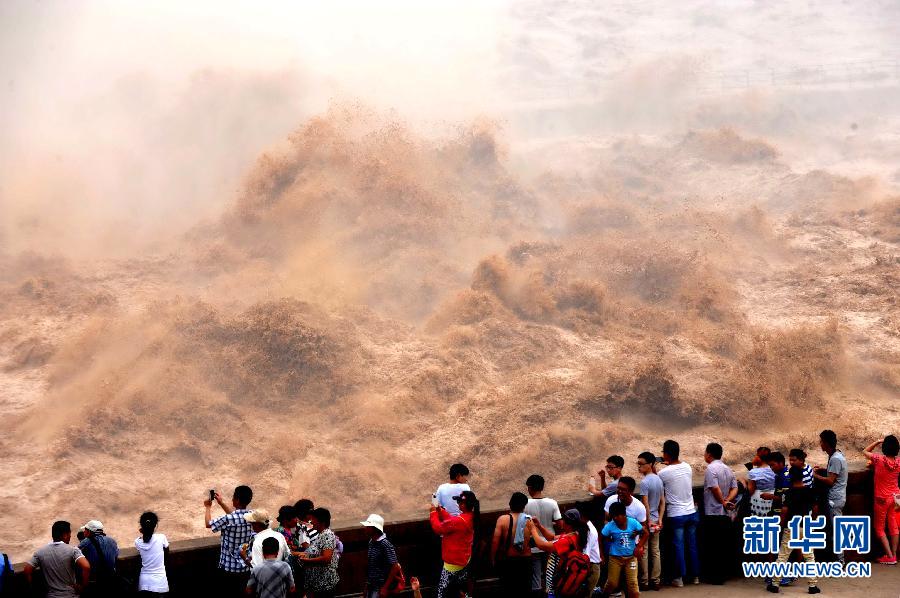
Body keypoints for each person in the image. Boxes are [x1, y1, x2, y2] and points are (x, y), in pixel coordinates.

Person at [766, 466, 821, 594]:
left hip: (791, 527)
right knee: (809, 557)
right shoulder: (810, 491)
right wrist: (812, 522)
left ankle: (775, 584)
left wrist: (780, 525)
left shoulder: (788, 493)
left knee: (783, 556)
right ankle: (813, 586)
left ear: (790, 477)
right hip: (805, 526)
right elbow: (816, 509)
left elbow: (784, 511)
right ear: (802, 476)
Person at [657, 439, 698, 587]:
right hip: (692, 512)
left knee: (678, 546)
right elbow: (677, 474)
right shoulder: (687, 467)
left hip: (677, 515)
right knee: (692, 545)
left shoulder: (663, 473)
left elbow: (656, 482)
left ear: (666, 454)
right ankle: (695, 577)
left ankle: (679, 578)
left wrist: (656, 467)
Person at [529, 509, 590, 598]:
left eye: (563, 520)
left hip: (561, 579)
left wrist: (532, 529)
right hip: (567, 576)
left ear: (567, 524)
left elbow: (542, 545)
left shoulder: (567, 541)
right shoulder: (575, 534)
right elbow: (551, 537)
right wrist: (539, 526)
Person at [700, 442, 738, 585]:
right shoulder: (728, 469)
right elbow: (735, 488)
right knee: (722, 545)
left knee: (713, 545)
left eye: (705, 452)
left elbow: (714, 488)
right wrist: (727, 500)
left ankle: (715, 577)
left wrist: (722, 501)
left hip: (713, 512)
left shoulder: (711, 468)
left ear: (709, 454)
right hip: (725, 514)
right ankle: (722, 575)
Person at [206, 485, 254, 595]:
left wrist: (208, 507)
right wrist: (221, 503)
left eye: (233, 497)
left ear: (236, 500)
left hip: (229, 568)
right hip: (246, 566)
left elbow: (208, 524)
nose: (232, 499)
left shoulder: (228, 519)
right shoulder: (252, 515)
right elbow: (235, 516)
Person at [430, 490, 478, 598]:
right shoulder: (470, 516)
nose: (458, 504)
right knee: (461, 588)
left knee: (442, 592)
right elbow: (451, 521)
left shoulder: (459, 521)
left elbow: (438, 528)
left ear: (464, 505)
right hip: (464, 559)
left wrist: (433, 513)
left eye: (460, 502)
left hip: (452, 563)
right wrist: (439, 509)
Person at [24, 521, 91, 598]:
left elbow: (27, 570)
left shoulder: (40, 552)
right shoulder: (73, 550)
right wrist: (82, 587)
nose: (70, 536)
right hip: (70, 595)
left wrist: (32, 589)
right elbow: (86, 566)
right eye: (69, 534)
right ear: (65, 535)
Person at [863, 435, 900, 564]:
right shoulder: (899, 462)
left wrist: (877, 441)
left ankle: (889, 557)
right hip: (895, 497)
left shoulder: (879, 459)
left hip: (882, 498)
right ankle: (894, 554)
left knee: (879, 527)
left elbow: (865, 451)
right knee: (893, 525)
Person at [812, 430, 848, 564]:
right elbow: (833, 474)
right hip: (837, 497)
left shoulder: (836, 458)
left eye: (821, 441)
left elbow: (830, 481)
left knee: (837, 531)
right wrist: (823, 470)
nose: (820, 444)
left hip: (835, 499)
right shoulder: (836, 455)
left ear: (826, 443)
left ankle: (840, 562)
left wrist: (814, 475)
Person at [524, 474, 562, 597]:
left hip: (533, 545)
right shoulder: (552, 503)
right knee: (550, 574)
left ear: (529, 488)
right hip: (550, 545)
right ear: (542, 487)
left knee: (535, 577)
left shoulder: (525, 504)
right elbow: (560, 524)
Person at [599, 502, 648, 598]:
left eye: (617, 516)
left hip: (631, 558)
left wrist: (639, 546)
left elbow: (645, 533)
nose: (615, 518)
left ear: (624, 514)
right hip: (615, 558)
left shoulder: (633, 522)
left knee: (633, 585)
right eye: (613, 516)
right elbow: (600, 538)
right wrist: (601, 555)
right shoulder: (610, 526)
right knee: (612, 583)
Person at [491, 492, 536, 595]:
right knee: (525, 590)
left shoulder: (502, 520)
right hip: (526, 561)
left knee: (509, 589)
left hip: (509, 561)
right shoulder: (528, 520)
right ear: (524, 506)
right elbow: (534, 540)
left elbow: (495, 542)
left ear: (510, 504)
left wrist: (493, 559)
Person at [297, 508, 339, 597]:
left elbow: (326, 558)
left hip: (325, 585)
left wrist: (307, 561)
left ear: (322, 522)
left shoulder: (327, 535)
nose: (311, 522)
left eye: (314, 520)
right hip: (318, 585)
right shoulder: (321, 535)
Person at [638, 452, 664, 591]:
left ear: (650, 464)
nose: (639, 466)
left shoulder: (644, 482)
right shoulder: (658, 479)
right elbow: (662, 502)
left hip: (647, 521)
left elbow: (645, 505)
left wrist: (647, 522)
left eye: (641, 464)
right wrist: (660, 519)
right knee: (656, 551)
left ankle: (644, 581)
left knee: (645, 550)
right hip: (656, 520)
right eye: (638, 464)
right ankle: (656, 580)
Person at [361, 514, 402, 598]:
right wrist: (366, 587)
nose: (365, 528)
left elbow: (395, 566)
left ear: (375, 529)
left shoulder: (385, 544)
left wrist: (385, 588)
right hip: (371, 586)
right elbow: (371, 567)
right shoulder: (371, 542)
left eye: (368, 526)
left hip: (380, 587)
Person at [78, 520, 119, 597]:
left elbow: (76, 556)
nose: (84, 532)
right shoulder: (112, 541)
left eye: (85, 530)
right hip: (110, 581)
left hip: (94, 583)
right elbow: (116, 556)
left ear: (89, 532)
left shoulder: (85, 542)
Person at [134, 512, 169, 596]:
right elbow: (167, 551)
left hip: (144, 583)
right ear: (155, 525)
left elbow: (144, 540)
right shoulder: (161, 538)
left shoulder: (137, 542)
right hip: (160, 583)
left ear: (141, 526)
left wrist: (143, 532)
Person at [575, 502, 603, 596]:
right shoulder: (585, 527)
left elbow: (586, 553)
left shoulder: (590, 530)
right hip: (589, 565)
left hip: (591, 567)